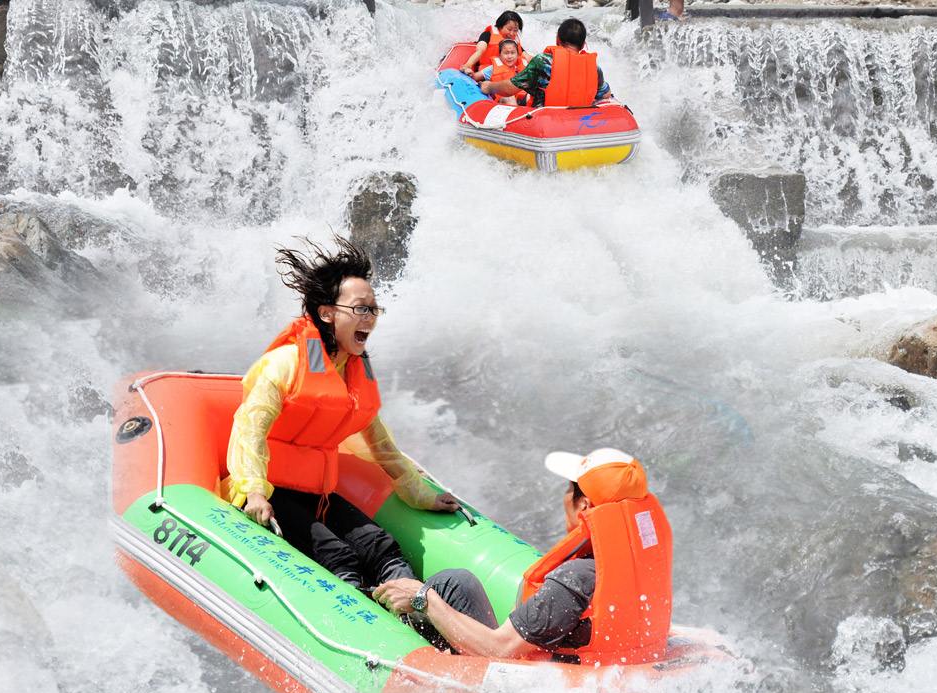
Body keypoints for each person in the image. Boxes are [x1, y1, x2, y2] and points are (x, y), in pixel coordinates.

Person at [222, 237, 458, 591]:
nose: (371, 318)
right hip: (267, 492)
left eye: (374, 309)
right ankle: (368, 628)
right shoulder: (286, 364)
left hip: (318, 495)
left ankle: (418, 618)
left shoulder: (353, 373)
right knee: (338, 556)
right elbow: (249, 429)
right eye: (361, 308)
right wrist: (253, 490)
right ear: (327, 313)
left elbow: (380, 444)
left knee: (382, 547)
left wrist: (421, 494)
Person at [372, 448, 673, 665]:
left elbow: (499, 650)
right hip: (590, 668)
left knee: (449, 585)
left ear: (584, 505)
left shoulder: (574, 580)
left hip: (524, 683)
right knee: (459, 583)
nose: (565, 497)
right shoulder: (642, 569)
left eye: (570, 490)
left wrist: (423, 598)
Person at [480, 18, 612, 109]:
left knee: (509, 100)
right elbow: (605, 95)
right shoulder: (594, 68)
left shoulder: (543, 62)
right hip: (582, 122)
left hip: (545, 121)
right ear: (583, 44)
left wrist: (489, 87)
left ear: (557, 39)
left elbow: (510, 88)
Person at [458, 11, 524, 75]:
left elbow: (526, 56)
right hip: (486, 73)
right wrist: (468, 65)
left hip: (509, 74)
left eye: (515, 30)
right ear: (500, 26)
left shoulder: (515, 42)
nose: (512, 33)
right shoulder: (487, 35)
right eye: (509, 29)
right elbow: (480, 50)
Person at [476, 38, 529, 106]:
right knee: (508, 97)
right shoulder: (491, 69)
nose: (509, 56)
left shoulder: (525, 67)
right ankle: (516, 114)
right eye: (506, 53)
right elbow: (474, 77)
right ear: (500, 55)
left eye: (513, 53)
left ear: (517, 54)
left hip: (522, 99)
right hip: (503, 101)